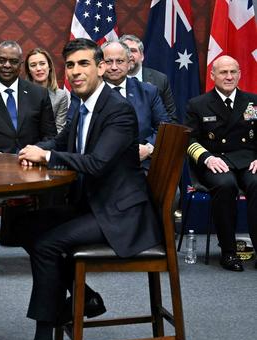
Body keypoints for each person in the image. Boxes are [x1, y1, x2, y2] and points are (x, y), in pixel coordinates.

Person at [6, 38, 162, 340]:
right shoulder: (82, 105)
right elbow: (63, 142)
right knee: (21, 225)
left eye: (84, 64)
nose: (76, 72)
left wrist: (47, 155)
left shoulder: (119, 111)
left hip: (120, 214)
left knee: (48, 245)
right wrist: (30, 152)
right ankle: (85, 297)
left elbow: (95, 163)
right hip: (93, 204)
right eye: (71, 66)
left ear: (102, 67)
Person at [0, 41, 56, 277]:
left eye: (13, 61)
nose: (7, 65)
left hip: (31, 164)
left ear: (20, 65)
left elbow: (51, 136)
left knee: (55, 188)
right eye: (2, 60)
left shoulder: (38, 94)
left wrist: (34, 151)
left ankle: (46, 250)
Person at [184, 55, 257, 272]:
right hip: (215, 161)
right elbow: (189, 139)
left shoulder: (253, 101)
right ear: (213, 75)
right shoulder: (198, 104)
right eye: (223, 72)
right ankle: (228, 252)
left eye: (233, 72)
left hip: (248, 160)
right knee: (226, 186)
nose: (229, 76)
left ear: (239, 74)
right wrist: (206, 157)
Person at [101, 40, 170, 169]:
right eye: (108, 61)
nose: (114, 67)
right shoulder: (89, 93)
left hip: (142, 164)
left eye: (120, 61)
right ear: (100, 65)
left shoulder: (148, 92)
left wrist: (149, 148)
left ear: (129, 64)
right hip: (103, 165)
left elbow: (164, 127)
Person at [120, 34, 178, 123]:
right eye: (125, 51)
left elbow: (171, 118)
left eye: (133, 51)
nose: (129, 55)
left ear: (142, 56)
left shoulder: (160, 79)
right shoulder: (109, 79)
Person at [25, 47, 70, 133]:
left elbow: (59, 130)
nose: (38, 68)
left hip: (50, 144)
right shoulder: (21, 93)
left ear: (49, 67)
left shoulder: (60, 95)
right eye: (33, 65)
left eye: (42, 63)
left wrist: (43, 146)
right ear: (29, 71)